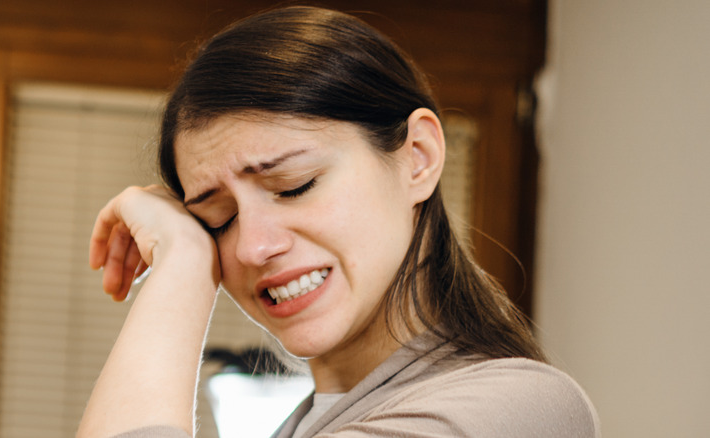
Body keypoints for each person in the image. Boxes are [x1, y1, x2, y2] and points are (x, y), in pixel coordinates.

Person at [78, 6, 600, 438]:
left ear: (417, 157)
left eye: (294, 186)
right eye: (217, 220)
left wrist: (181, 258)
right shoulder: (305, 424)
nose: (252, 247)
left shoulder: (523, 408)